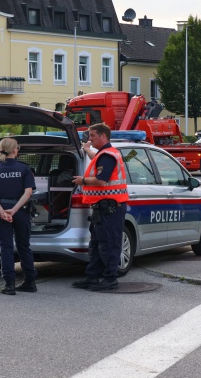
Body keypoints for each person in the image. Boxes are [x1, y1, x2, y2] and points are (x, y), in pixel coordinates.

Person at [71, 123, 129, 291]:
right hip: (103, 208)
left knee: (109, 244)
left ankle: (110, 279)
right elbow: (95, 157)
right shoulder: (103, 154)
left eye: (92, 136)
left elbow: (101, 180)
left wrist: (82, 180)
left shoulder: (107, 156)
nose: (90, 138)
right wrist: (86, 148)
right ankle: (93, 277)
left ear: (103, 136)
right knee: (96, 243)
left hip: (110, 208)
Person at [0, 138, 37, 295]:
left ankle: (9, 284)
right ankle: (30, 281)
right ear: (15, 150)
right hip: (20, 211)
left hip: (0, 212)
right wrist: (14, 210)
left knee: (6, 247)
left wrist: (2, 211)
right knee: (24, 247)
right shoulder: (24, 169)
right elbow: (28, 192)